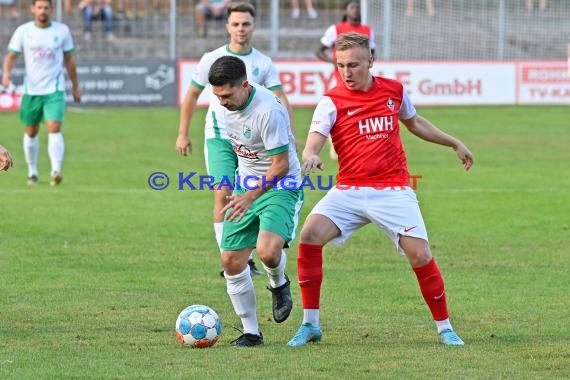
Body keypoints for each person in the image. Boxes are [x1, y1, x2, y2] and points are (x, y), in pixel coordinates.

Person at [287, 32, 474, 348]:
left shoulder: (394, 91)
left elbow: (414, 123)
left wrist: (453, 142)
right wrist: (311, 154)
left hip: (392, 190)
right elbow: (314, 140)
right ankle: (310, 325)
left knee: (420, 253)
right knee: (309, 234)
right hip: (348, 190)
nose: (347, 73)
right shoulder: (331, 101)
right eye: (341, 65)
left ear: (371, 61)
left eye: (354, 65)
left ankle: (445, 328)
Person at [176, 1, 295, 278]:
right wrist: (183, 132)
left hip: (253, 140)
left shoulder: (263, 63)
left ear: (253, 26)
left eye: (246, 24)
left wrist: (290, 135)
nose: (241, 29)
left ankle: (252, 254)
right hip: (219, 137)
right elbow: (192, 95)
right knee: (223, 192)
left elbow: (279, 97)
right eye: (236, 24)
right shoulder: (212, 59)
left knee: (252, 190)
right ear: (227, 26)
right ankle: (228, 258)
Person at [208, 55, 303, 347]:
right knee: (231, 260)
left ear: (244, 86)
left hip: (281, 184)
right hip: (245, 184)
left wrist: (250, 197)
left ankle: (279, 283)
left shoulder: (268, 110)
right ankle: (251, 332)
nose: (221, 101)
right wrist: (230, 185)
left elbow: (280, 166)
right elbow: (222, 144)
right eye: (217, 95)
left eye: (226, 95)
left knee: (267, 252)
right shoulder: (221, 106)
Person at [2, 0, 81, 186]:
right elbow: (11, 55)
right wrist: (6, 74)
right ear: (32, 9)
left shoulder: (62, 31)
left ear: (51, 9)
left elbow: (69, 60)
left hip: (54, 88)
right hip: (32, 90)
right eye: (39, 7)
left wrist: (75, 85)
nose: (42, 11)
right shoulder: (24, 31)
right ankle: (32, 172)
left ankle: (56, 171)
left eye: (46, 7)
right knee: (31, 131)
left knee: (54, 126)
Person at [316, 0, 375, 160]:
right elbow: (319, 50)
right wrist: (334, 63)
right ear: (345, 10)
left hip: (360, 80)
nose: (356, 10)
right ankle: (335, 142)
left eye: (358, 7)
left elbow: (373, 53)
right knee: (338, 113)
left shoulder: (367, 30)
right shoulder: (336, 29)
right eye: (352, 7)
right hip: (340, 81)